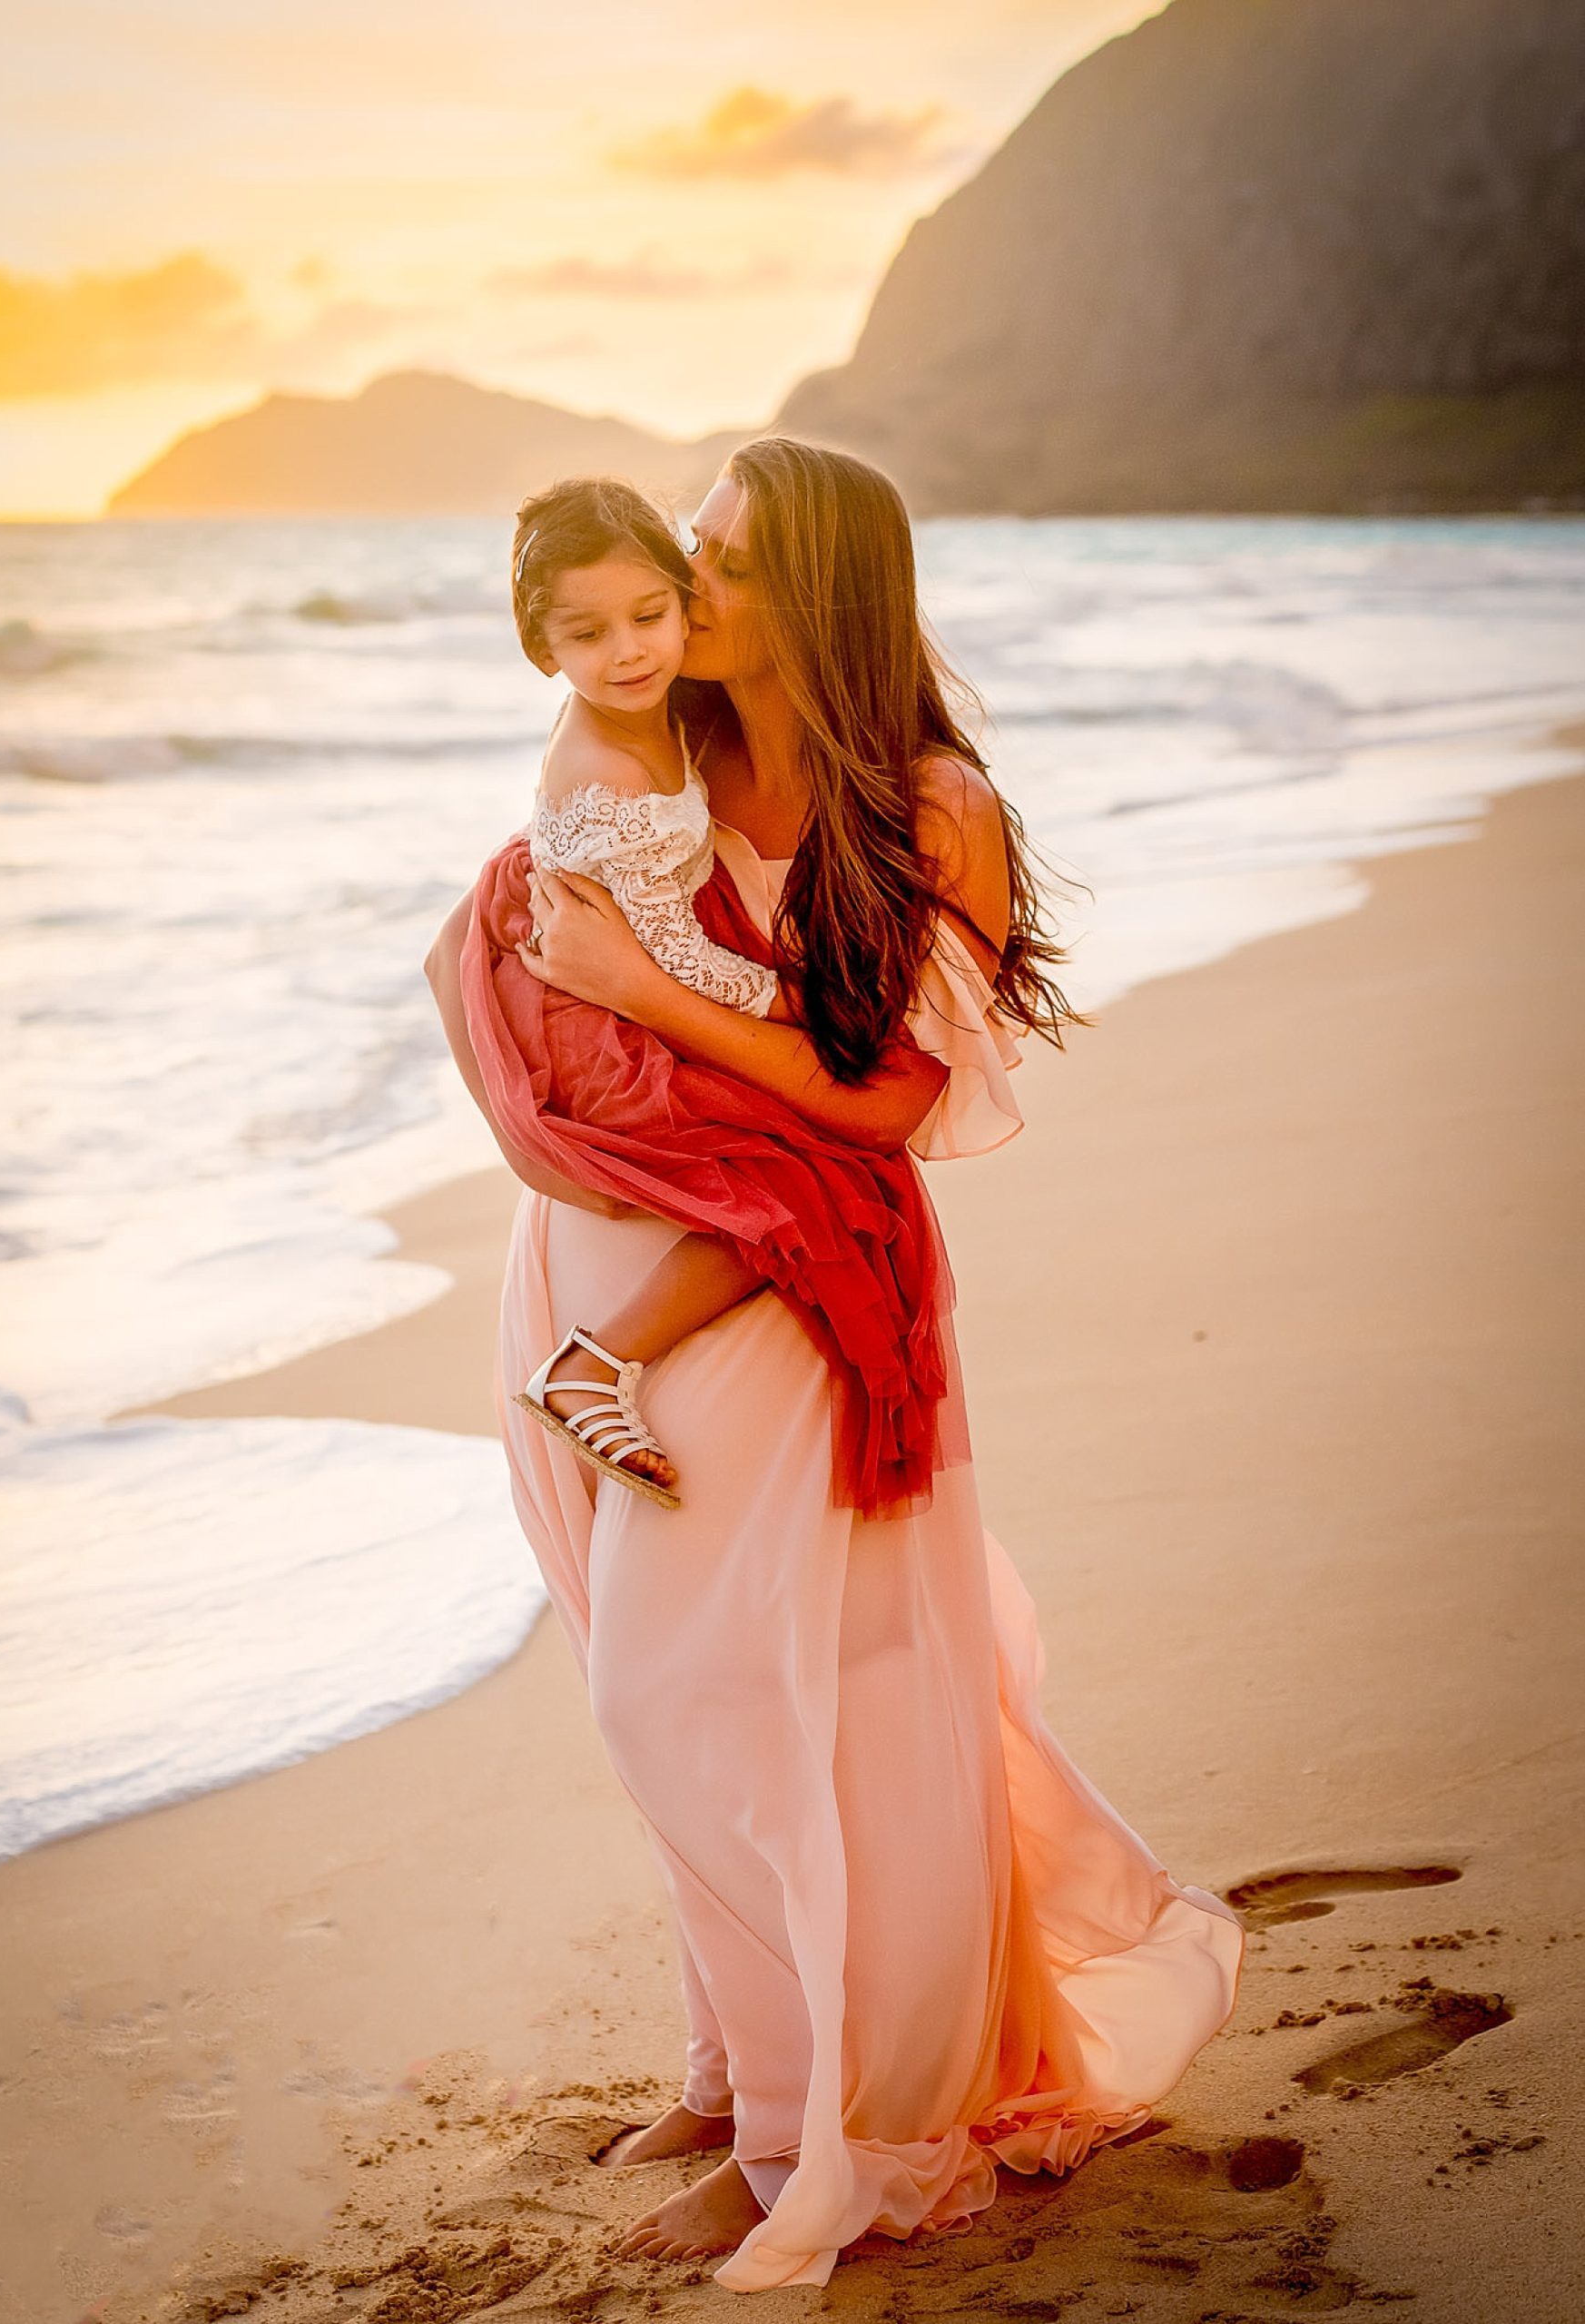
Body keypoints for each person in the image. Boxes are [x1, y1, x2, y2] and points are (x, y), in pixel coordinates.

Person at [424, 437, 1244, 2292]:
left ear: (816, 592)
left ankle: (833, 2126)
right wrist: (542, 1083)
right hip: (595, 1235)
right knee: (639, 1663)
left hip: (796, 1282)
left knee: (722, 1688)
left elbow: (885, 1102)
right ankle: (737, 2068)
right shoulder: (664, 742)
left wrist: (634, 1004)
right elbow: (497, 927)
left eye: (710, 561)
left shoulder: (931, 803)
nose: (679, 590)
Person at [468, 475, 952, 1519]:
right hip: (607, 1037)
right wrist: (785, 1002)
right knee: (781, 1186)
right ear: (545, 647)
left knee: (813, 1176)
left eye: (662, 605)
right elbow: (656, 960)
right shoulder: (620, 760)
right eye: (703, 550)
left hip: (631, 1008)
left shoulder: (676, 720)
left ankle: (598, 1360)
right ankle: (595, 1362)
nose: (647, 637)